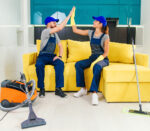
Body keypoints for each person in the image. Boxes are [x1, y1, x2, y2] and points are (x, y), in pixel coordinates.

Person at [71, 8, 110, 105]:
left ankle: (94, 93)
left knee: (97, 66)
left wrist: (98, 60)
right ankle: (83, 89)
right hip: (92, 57)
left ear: (100, 24)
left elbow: (106, 53)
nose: (93, 21)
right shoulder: (90, 33)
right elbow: (75, 30)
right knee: (78, 64)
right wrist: (72, 17)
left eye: (96, 21)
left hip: (102, 59)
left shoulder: (105, 37)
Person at [36, 7, 75, 98]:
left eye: (55, 22)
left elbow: (60, 46)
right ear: (48, 23)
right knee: (39, 65)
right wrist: (69, 15)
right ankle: (41, 89)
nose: (55, 24)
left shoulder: (55, 34)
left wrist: (60, 56)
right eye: (53, 22)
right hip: (42, 56)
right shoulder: (45, 31)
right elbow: (60, 27)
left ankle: (58, 89)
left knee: (60, 64)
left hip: (51, 56)